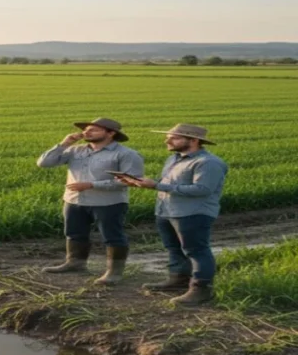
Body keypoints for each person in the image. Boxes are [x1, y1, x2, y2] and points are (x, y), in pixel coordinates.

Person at [114, 124, 228, 306]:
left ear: (194, 140)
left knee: (196, 251)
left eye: (174, 138)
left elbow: (202, 189)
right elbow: (169, 184)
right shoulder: (173, 159)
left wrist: (156, 185)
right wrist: (138, 183)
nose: (167, 141)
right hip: (166, 210)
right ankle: (178, 280)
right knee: (174, 248)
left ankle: (201, 290)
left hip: (192, 213)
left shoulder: (208, 162)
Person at [37, 117, 145, 285]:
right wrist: (64, 143)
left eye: (94, 129)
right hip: (74, 200)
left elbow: (131, 181)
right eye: (86, 129)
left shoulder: (127, 154)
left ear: (111, 133)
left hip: (108, 203)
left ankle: (114, 272)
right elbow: (44, 163)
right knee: (74, 233)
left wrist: (92, 185)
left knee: (113, 237)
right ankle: (75, 264)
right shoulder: (75, 150)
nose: (87, 132)